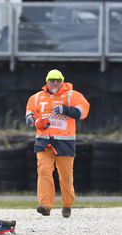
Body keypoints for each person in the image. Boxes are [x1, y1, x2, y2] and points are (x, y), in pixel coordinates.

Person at [25, 69, 90, 218]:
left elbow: (83, 112)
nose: (55, 83)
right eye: (52, 80)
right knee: (43, 171)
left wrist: (65, 109)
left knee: (65, 175)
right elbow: (29, 114)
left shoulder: (72, 95)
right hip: (43, 141)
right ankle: (45, 205)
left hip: (65, 142)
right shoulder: (36, 98)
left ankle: (67, 204)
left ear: (62, 81)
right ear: (46, 81)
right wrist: (32, 120)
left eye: (57, 80)